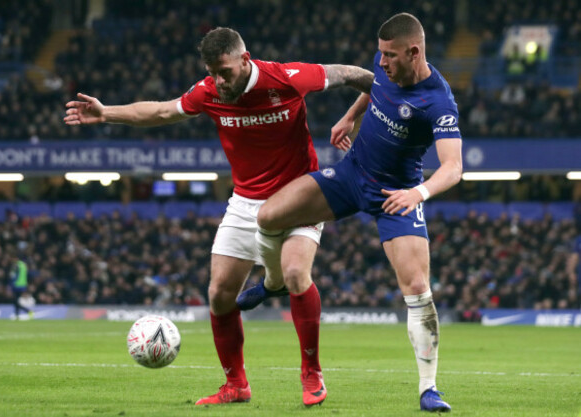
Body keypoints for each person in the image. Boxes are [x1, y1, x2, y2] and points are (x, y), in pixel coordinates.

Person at [64, 27, 372, 406]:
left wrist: (356, 115)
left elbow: (358, 75)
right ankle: (236, 385)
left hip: (298, 196)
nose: (218, 80)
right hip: (244, 202)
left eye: (224, 71)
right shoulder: (208, 91)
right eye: (212, 71)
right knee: (220, 294)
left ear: (245, 60)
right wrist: (106, 112)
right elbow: (162, 110)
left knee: (295, 274)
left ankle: (311, 372)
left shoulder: (287, 77)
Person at [250, 13, 461, 412]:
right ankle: (274, 280)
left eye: (390, 56)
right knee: (268, 216)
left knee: (417, 288)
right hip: (350, 175)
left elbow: (454, 167)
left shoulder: (438, 100)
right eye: (379, 54)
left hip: (395, 194)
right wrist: (350, 115)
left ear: (414, 52)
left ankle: (428, 389)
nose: (380, 63)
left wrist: (417, 193)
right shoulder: (386, 69)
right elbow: (374, 87)